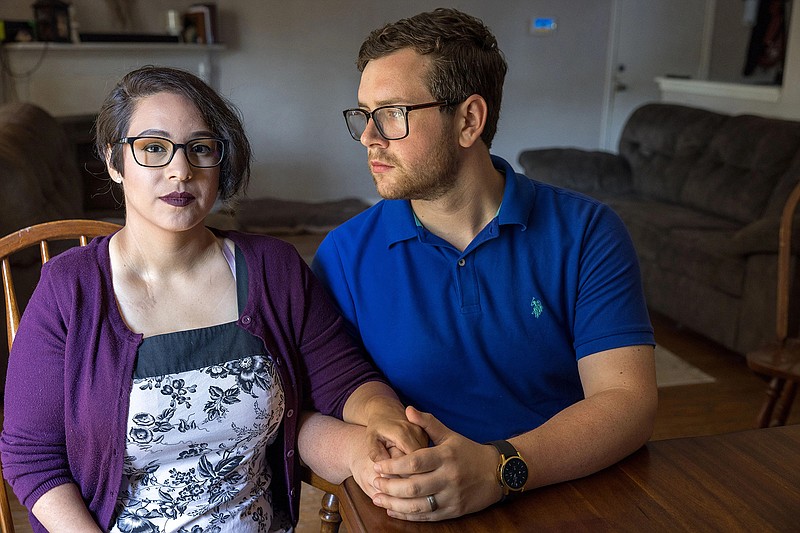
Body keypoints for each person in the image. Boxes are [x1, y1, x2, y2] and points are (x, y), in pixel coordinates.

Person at [0, 66, 425, 533]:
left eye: (200, 148)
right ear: (114, 162)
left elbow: (343, 381)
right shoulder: (69, 289)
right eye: (154, 148)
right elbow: (32, 457)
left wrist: (376, 429)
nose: (180, 170)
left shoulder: (273, 268)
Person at [300, 8, 658, 522]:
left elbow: (627, 402)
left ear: (469, 119)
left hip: (566, 493)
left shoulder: (587, 233)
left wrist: (500, 468)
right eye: (363, 113)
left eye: (393, 113)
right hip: (416, 509)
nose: (368, 137)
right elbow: (318, 405)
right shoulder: (343, 255)